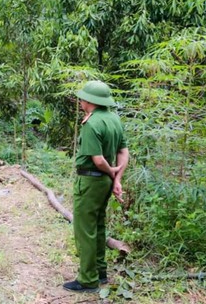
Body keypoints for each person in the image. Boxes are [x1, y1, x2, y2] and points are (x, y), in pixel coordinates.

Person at [63, 80, 129, 293]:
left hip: (91, 181)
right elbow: (123, 152)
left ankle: (88, 279)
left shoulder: (91, 123)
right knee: (99, 225)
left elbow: (98, 159)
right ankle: (100, 271)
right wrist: (117, 178)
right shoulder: (114, 119)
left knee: (85, 230)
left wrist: (110, 171)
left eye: (82, 98)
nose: (80, 101)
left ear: (90, 101)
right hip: (105, 183)